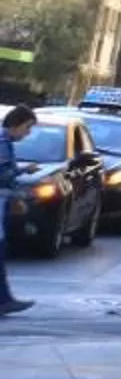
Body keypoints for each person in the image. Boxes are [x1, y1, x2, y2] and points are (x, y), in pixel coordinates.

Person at [0, 107, 34, 315]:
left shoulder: (5, 143)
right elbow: (3, 175)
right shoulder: (3, 144)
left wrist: (21, 170)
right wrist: (19, 195)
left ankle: (4, 299)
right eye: (27, 128)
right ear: (16, 124)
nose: (27, 133)